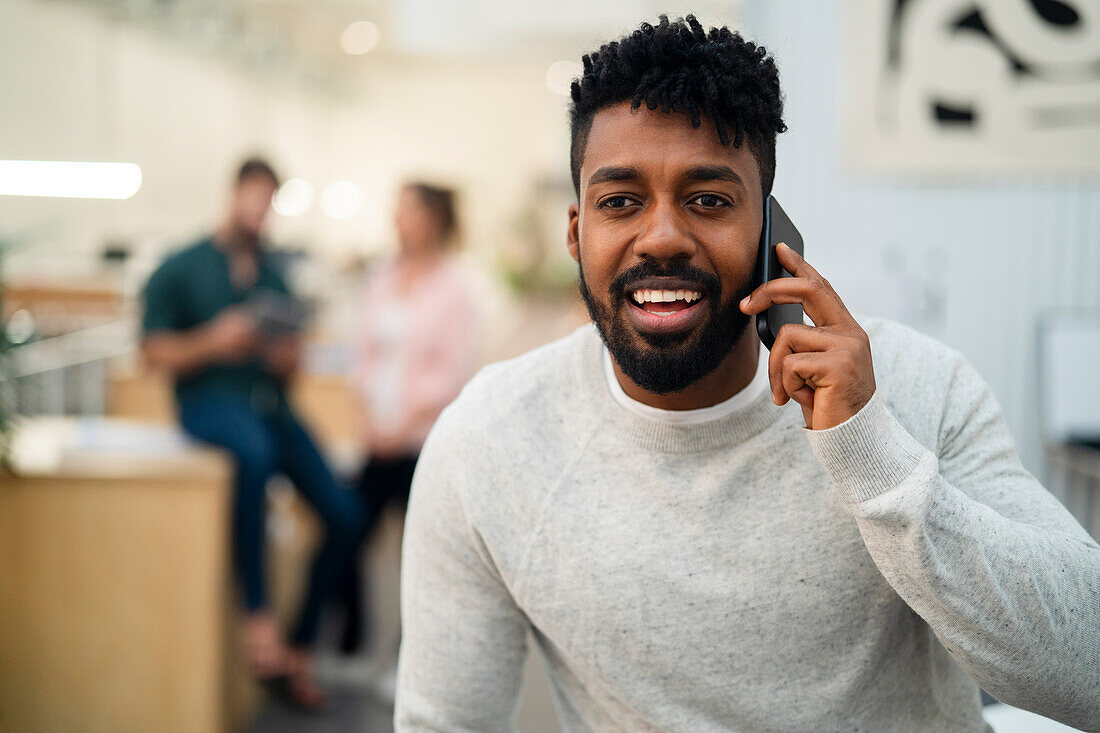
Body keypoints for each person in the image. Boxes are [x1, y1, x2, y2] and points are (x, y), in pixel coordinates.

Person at [394, 17, 1100, 732]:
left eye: (708, 200)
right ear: (577, 233)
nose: (663, 235)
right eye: (620, 202)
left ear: (771, 232)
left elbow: (1089, 668)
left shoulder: (918, 385)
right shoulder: (488, 441)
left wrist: (872, 457)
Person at [141, 158, 361, 710]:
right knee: (252, 454)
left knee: (344, 514)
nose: (259, 213)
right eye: (253, 199)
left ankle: (298, 648)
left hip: (270, 403)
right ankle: (257, 617)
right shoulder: (181, 267)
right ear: (234, 193)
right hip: (208, 405)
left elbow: (294, 361)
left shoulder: (275, 273)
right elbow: (152, 352)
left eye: (269, 203)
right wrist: (215, 341)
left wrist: (287, 357)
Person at [338, 183, 478, 665]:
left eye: (405, 212)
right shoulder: (381, 278)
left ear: (431, 219)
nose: (395, 221)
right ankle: (350, 643)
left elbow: (452, 371)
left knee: (420, 556)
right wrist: (370, 419)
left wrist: (402, 425)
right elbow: (363, 354)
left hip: (420, 441)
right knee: (347, 533)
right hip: (376, 437)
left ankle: (411, 660)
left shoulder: (454, 289)